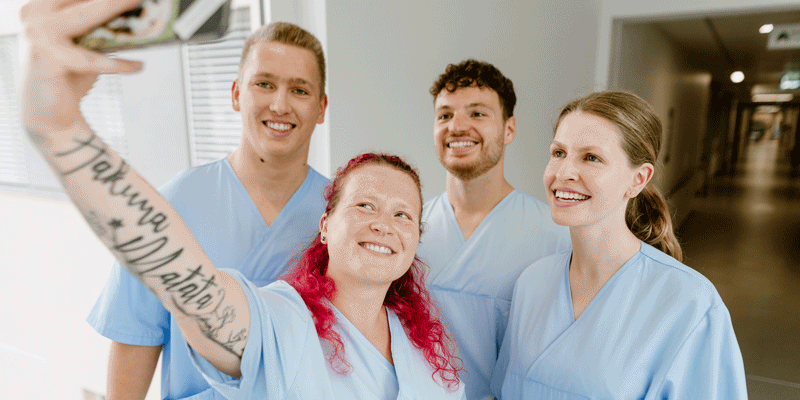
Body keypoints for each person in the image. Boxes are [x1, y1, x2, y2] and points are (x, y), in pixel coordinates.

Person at [19, 0, 466, 397]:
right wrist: (61, 130)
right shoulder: (282, 325)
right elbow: (188, 286)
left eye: (403, 214)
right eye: (365, 206)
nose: (280, 104)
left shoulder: (427, 360)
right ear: (326, 225)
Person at [85, 16, 330, 400]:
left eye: (299, 90)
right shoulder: (171, 205)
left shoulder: (342, 215)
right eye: (264, 84)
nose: (280, 104)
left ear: (321, 107)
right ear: (236, 94)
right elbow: (136, 338)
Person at [491, 91, 748, 399]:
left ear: (638, 179)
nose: (564, 173)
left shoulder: (690, 303)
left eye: (591, 158)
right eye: (558, 153)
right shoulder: (532, 283)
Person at [417, 59, 571, 400]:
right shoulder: (410, 229)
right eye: (444, 115)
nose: (457, 126)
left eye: (477, 113)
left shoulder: (554, 234)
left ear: (509, 129)